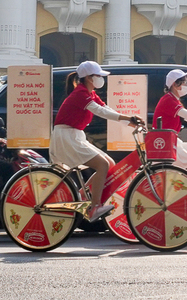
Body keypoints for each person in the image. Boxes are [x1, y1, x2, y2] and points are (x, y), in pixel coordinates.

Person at [52, 61, 133, 219]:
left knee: (109, 164)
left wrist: (130, 122)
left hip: (75, 135)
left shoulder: (90, 93)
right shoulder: (80, 94)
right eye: (99, 76)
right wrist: (127, 118)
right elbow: (100, 111)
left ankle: (81, 196)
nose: (102, 79)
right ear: (89, 78)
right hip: (66, 137)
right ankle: (95, 207)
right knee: (102, 164)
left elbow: (107, 108)